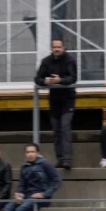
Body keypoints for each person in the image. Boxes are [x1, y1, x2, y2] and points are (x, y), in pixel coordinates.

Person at [34, 39, 77, 169]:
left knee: (65, 128)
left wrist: (60, 80)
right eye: (54, 47)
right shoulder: (46, 61)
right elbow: (37, 79)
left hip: (68, 99)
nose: (57, 49)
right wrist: (45, 81)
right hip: (54, 100)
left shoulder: (70, 60)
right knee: (56, 131)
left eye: (59, 47)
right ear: (51, 48)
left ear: (63, 48)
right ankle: (59, 158)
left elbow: (73, 78)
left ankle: (67, 159)